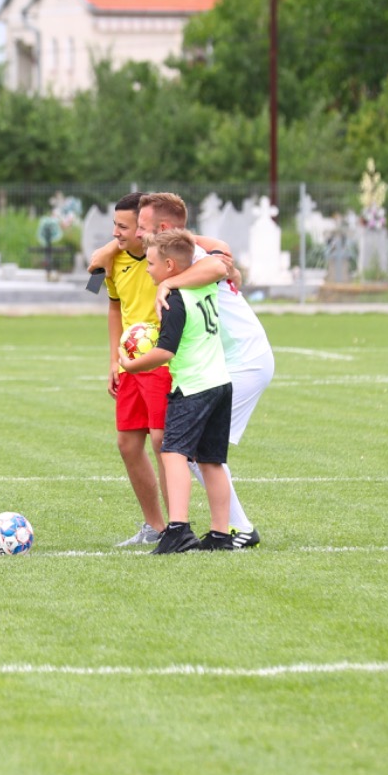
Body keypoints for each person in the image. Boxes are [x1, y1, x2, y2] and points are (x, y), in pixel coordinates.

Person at [139, 191, 270, 548]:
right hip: (229, 361)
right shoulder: (186, 248)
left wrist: (168, 283)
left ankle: (235, 528)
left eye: (142, 226)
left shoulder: (190, 260)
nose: (137, 233)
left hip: (241, 360)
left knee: (193, 451)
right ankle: (221, 531)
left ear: (163, 228)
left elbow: (218, 265)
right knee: (202, 453)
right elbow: (221, 252)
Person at [118, 229, 236, 554]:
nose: (148, 269)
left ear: (170, 265)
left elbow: (165, 352)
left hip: (193, 385)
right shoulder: (204, 285)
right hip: (220, 383)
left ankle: (179, 530)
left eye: (152, 263)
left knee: (173, 454)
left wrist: (131, 364)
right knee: (211, 461)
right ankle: (220, 534)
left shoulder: (174, 299)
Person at [102, 193, 171, 547]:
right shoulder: (111, 263)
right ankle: (154, 526)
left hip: (161, 360)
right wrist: (114, 359)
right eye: (114, 225)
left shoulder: (168, 258)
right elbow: (112, 306)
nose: (116, 232)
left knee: (162, 442)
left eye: (123, 226)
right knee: (128, 444)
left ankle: (177, 527)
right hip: (129, 363)